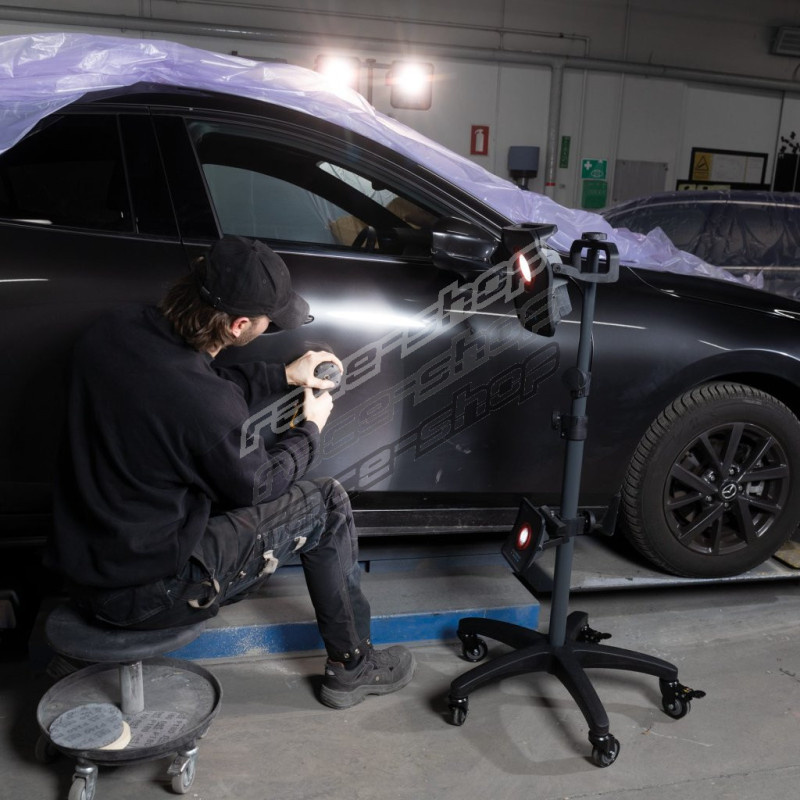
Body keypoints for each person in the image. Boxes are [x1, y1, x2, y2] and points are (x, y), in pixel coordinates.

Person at [45, 234, 414, 709]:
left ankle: (76, 657)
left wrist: (283, 374)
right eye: (267, 322)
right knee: (326, 503)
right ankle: (353, 667)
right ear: (240, 325)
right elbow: (258, 485)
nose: (268, 328)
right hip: (147, 594)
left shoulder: (115, 330)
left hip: (80, 567)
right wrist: (311, 429)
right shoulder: (203, 403)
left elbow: (193, 386)